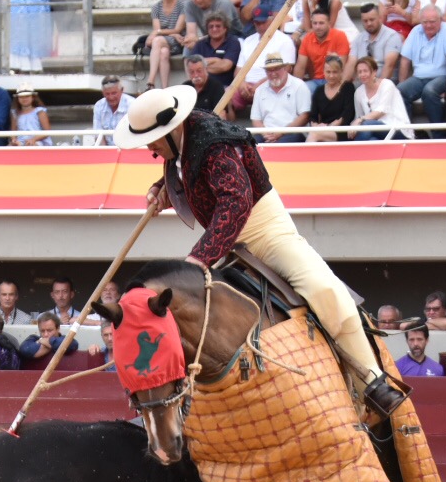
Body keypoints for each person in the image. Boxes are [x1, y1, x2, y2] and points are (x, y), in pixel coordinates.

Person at [117, 85, 405, 417]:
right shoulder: (182, 140)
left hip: (265, 231)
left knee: (324, 289)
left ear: (170, 129)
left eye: (152, 140)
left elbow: (235, 203)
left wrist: (200, 258)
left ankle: (372, 381)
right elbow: (186, 168)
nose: (150, 147)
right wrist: (163, 188)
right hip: (228, 241)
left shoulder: (217, 145)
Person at [397, 4, 446, 122]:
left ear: (440, 20)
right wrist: (403, 83)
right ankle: (408, 133)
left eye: (432, 22)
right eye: (425, 22)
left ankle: (438, 135)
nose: (428, 25)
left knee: (429, 91)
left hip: (442, 76)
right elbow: (405, 60)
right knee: (399, 91)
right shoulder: (416, 31)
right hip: (418, 77)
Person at [250, 52, 310, 141]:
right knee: (251, 145)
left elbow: (304, 116)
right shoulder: (260, 90)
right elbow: (256, 119)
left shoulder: (299, 85)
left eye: (276, 69)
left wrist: (281, 133)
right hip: (266, 133)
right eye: (270, 70)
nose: (273, 73)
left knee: (286, 142)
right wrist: (266, 134)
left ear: (285, 68)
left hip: (292, 132)